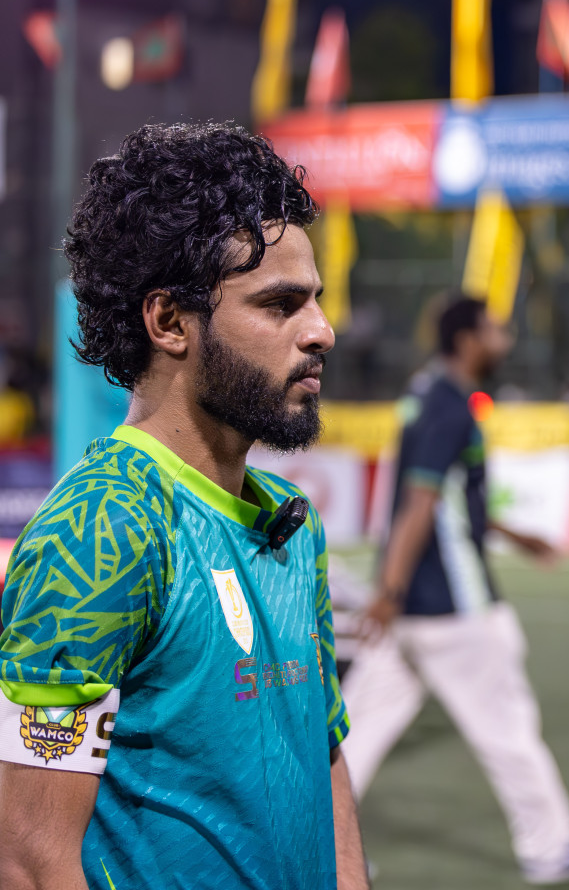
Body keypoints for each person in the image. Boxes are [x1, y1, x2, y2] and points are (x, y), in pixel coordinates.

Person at [0, 121, 367, 888]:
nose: (322, 331)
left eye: (318, 302)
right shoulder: (102, 528)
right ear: (169, 321)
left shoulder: (293, 527)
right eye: (281, 304)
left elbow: (321, 761)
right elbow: (30, 863)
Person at [343, 297, 569, 885]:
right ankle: (552, 848)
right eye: (495, 330)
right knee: (507, 731)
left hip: (411, 609)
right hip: (453, 609)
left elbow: (446, 502)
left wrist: (516, 536)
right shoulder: (449, 406)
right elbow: (422, 504)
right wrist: (390, 589)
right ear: (468, 340)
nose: (505, 338)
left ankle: (316, 849)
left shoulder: (425, 395)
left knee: (355, 732)